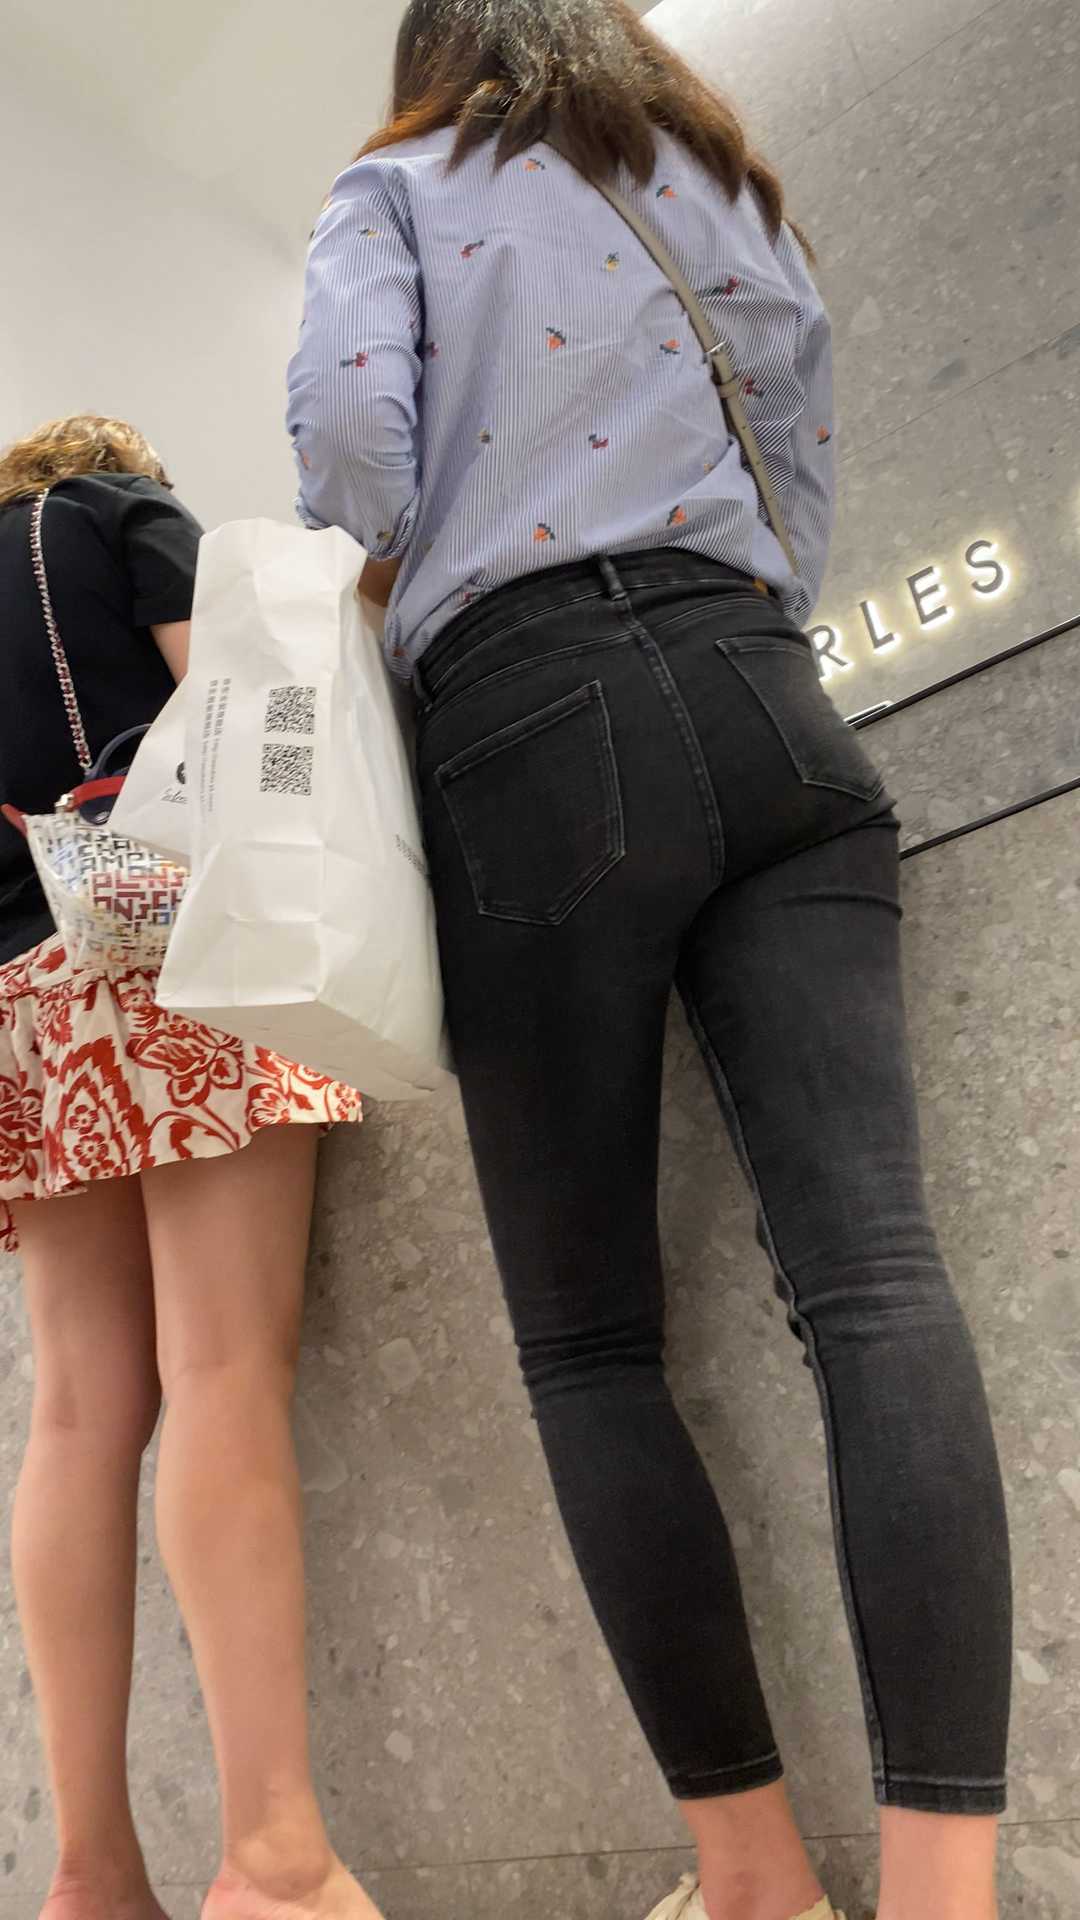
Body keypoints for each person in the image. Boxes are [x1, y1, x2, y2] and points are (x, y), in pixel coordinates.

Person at [287, 5, 1013, 1918]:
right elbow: (798, 443)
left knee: (593, 1343)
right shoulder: (713, 179)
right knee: (877, 1285)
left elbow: (354, 451)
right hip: (769, 689)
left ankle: (756, 1887)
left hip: (529, 720)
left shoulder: (394, 186)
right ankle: (947, 1894)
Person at [0, 416, 379, 1920]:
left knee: (76, 1412)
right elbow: (242, 699)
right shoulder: (106, 510)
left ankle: (91, 1873)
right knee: (221, 1369)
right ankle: (276, 1860)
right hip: (164, 940)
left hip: (16, 998)